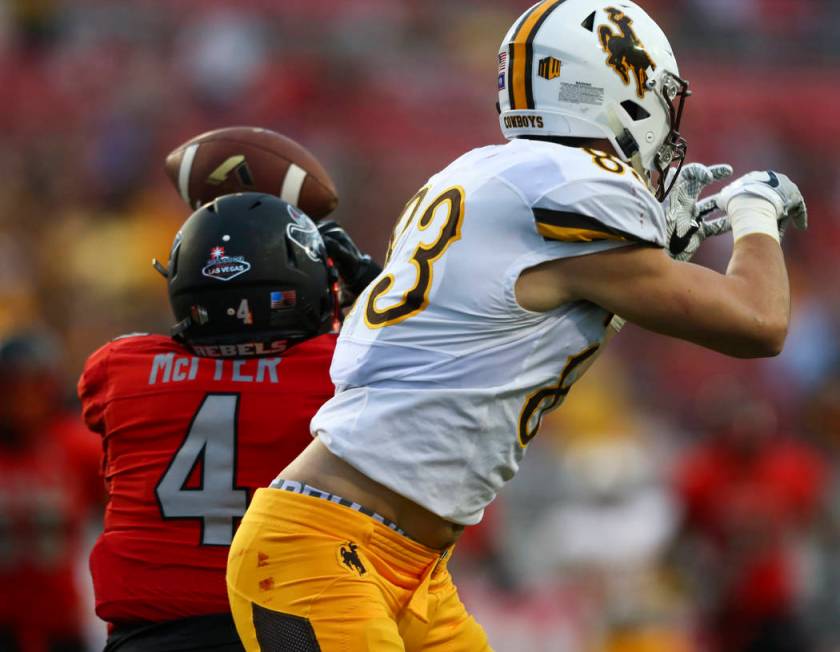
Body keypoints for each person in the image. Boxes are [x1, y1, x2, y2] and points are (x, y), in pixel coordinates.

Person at [226, 1, 808, 650]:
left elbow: (510, 319)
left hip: (402, 561)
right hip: (325, 550)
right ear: (612, 86)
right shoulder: (574, 185)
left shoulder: (483, 173)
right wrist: (757, 212)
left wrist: (652, 260)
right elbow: (759, 323)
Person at [78, 193, 377, 651]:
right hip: (286, 631)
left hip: (146, 638)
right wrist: (375, 285)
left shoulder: (119, 369)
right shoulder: (339, 371)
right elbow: (445, 367)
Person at [0, 330, 102, 652]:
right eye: (14, 386)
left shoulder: (76, 446)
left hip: (62, 624)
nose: (25, 399)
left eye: (35, 385)